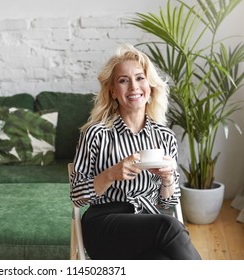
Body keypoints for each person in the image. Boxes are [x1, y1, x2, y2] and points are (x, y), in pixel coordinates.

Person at [70, 44, 201, 260]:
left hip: (148, 225)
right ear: (113, 91)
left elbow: (168, 203)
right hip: (104, 225)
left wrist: (168, 179)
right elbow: (77, 196)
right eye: (123, 80)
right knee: (169, 226)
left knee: (163, 260)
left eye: (140, 78)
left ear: (150, 86)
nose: (133, 86)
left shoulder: (164, 137)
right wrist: (111, 174)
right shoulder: (96, 134)